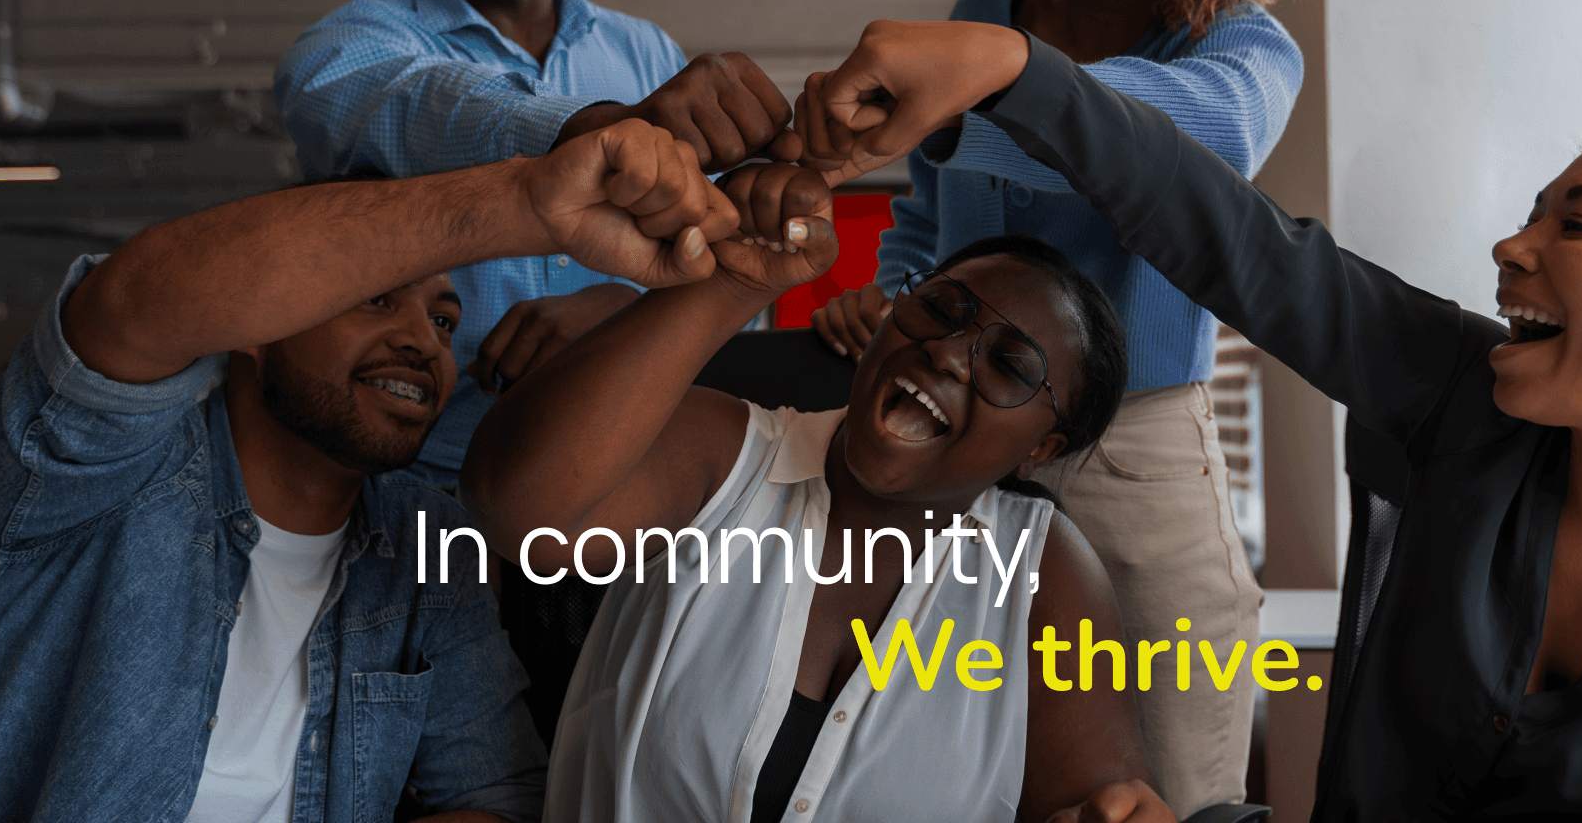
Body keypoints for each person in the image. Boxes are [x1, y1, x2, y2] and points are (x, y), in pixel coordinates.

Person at [796, 22, 1582, 820]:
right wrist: (1013, 70)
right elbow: (1252, 252)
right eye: (1529, 215)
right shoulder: (1473, 402)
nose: (1515, 248)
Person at [803, 0, 1317, 809]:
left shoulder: (1237, 51)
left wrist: (995, 83)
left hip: (1134, 449)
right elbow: (927, 208)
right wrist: (898, 292)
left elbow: (1189, 142)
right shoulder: (986, 8)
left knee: (1173, 776)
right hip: (959, 432)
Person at [0, 118, 732, 822]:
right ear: (256, 326)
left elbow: (495, 790)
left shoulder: (424, 542)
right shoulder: (95, 469)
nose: (422, 342)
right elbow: (129, 305)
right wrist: (522, 200)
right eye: (375, 299)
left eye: (442, 321)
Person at [460, 163, 1178, 822]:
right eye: (943, 309)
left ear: (1040, 450)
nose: (950, 353)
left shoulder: (1042, 569)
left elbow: (1100, 798)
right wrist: (734, 281)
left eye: (1010, 365)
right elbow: (513, 505)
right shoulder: (726, 451)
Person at [275, 0, 800, 484]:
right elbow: (416, 105)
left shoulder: (646, 51)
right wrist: (585, 130)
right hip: (425, 491)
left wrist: (623, 308)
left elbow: (730, 293)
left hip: (631, 491)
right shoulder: (350, 50)